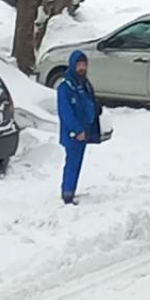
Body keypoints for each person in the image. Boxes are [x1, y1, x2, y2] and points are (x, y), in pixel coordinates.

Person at [57, 50, 100, 205]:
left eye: (84, 65)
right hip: (74, 133)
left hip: (84, 131)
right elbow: (66, 112)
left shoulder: (84, 83)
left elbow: (88, 102)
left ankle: (71, 191)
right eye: (79, 65)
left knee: (77, 161)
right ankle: (67, 195)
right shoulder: (65, 87)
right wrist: (76, 130)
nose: (82, 68)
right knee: (72, 163)